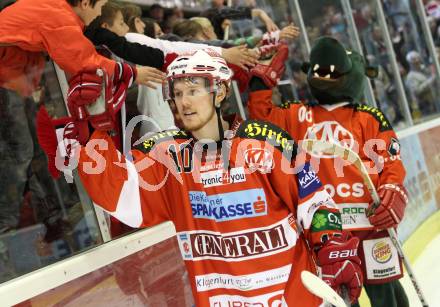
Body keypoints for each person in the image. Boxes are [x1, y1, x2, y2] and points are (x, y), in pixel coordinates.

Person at [72, 49, 363, 306]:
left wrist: (331, 242)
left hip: (294, 298)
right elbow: (118, 194)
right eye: (177, 93)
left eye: (193, 90)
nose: (183, 102)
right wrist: (91, 132)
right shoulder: (166, 158)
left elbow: (316, 204)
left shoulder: (265, 142)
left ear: (220, 92)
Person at [247, 37, 409, 307]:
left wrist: (393, 190)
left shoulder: (368, 117)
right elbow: (262, 118)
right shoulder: (295, 114)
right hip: (326, 232)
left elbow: (390, 159)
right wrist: (261, 82)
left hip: (370, 225)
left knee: (387, 296)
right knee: (340, 298)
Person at [0, 0, 165, 89]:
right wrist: (131, 74)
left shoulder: (58, 9)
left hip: (10, 59)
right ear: (85, 3)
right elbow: (83, 61)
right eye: (100, 6)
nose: (100, 13)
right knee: (19, 138)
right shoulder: (60, 18)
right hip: (6, 59)